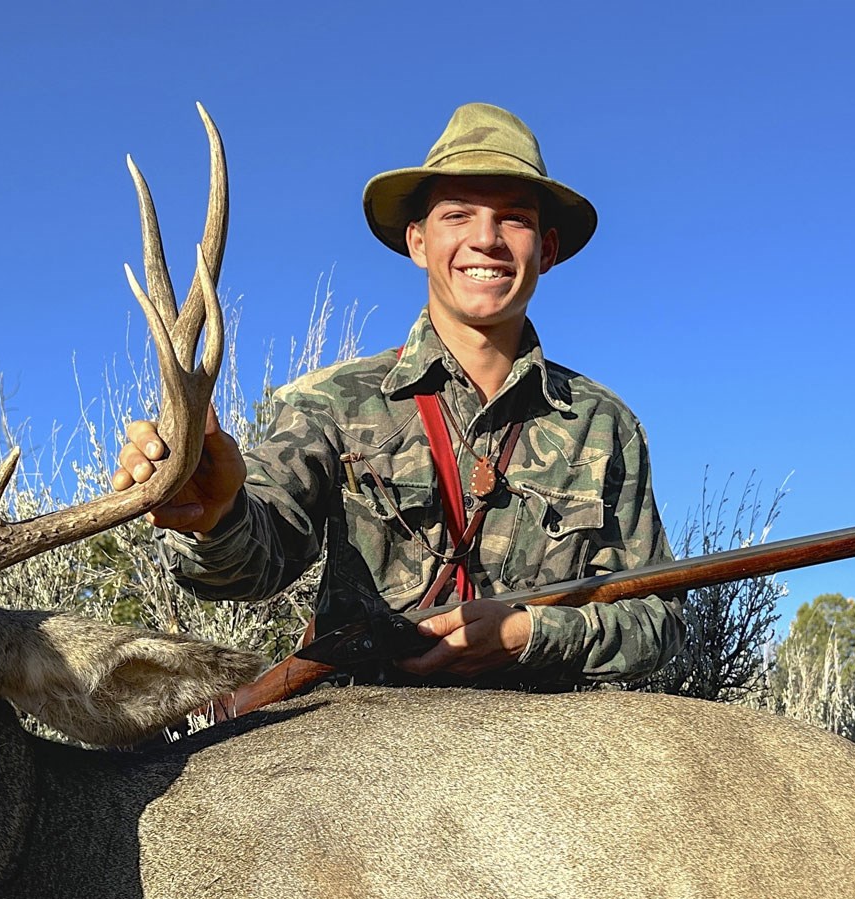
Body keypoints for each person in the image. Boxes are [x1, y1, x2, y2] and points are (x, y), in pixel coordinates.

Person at [112, 102, 683, 687]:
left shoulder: (603, 423)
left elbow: (658, 623)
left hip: (547, 752)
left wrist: (530, 636)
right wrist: (215, 515)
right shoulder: (330, 403)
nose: (485, 240)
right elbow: (255, 563)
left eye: (514, 219)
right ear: (417, 241)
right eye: (457, 215)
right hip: (367, 749)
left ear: (548, 248)